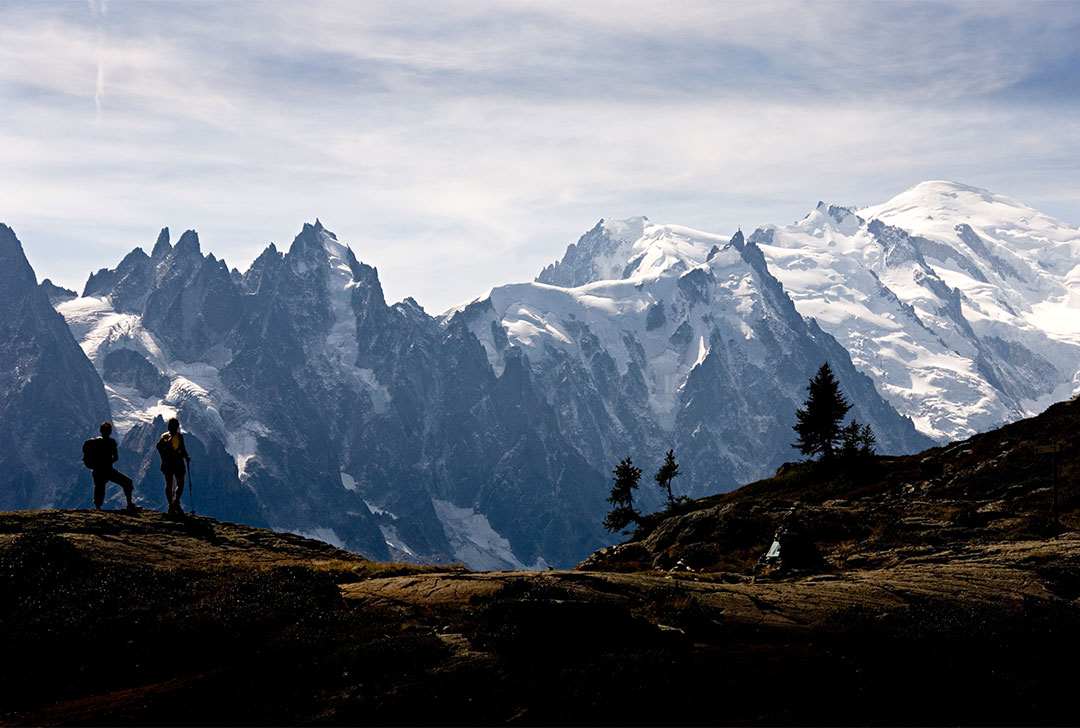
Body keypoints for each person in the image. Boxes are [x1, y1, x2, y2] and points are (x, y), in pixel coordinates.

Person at [84, 422, 137, 511]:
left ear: (100, 431)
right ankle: (129, 504)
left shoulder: (93, 442)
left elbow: (85, 447)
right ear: (110, 431)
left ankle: (98, 508)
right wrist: (107, 463)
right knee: (127, 482)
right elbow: (116, 457)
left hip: (97, 470)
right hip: (108, 470)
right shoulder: (111, 442)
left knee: (99, 489)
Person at [157, 417, 191, 515]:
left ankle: (172, 504)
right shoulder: (174, 437)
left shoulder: (165, 436)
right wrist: (186, 457)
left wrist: (163, 458)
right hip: (176, 462)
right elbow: (182, 449)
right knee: (177, 484)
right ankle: (174, 503)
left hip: (169, 463)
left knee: (171, 484)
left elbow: (159, 448)